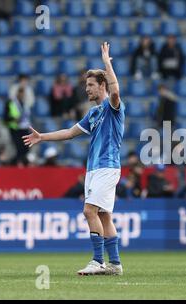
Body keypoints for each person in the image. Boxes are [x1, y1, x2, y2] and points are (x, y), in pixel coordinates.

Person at [22, 42, 125, 276]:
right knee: (104, 215)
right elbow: (69, 133)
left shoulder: (113, 107)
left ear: (102, 85)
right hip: (95, 169)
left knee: (89, 211)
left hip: (106, 167)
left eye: (90, 85)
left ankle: (98, 261)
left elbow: (116, 92)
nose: (86, 89)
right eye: (85, 85)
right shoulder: (93, 113)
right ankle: (115, 264)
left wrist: (107, 63)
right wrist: (42, 137)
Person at [4, 87, 31, 165]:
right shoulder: (11, 103)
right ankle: (14, 163)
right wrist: (13, 119)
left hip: (25, 128)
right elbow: (5, 117)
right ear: (17, 93)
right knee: (18, 148)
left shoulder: (25, 103)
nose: (22, 95)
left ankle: (20, 163)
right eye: (21, 93)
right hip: (15, 129)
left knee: (26, 148)